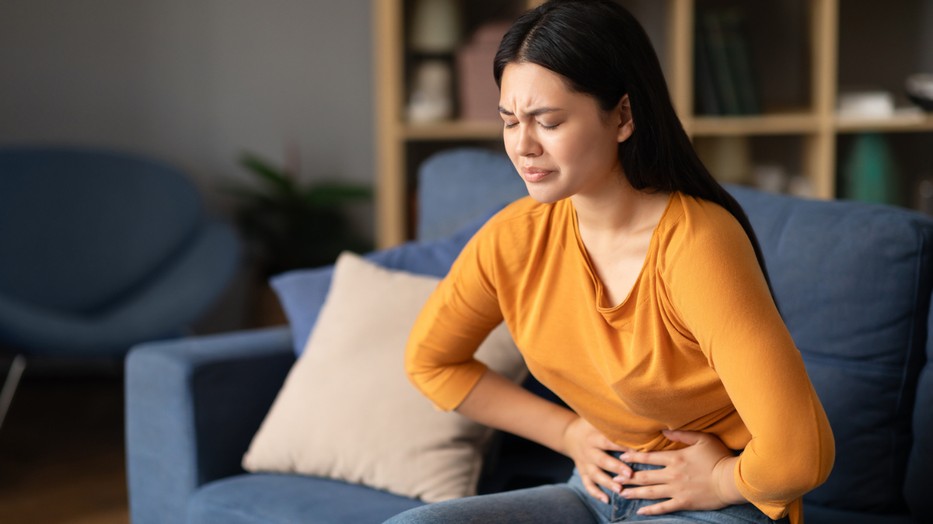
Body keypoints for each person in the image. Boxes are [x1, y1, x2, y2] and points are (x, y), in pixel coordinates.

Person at [386, 1, 834, 522]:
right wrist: (568, 431)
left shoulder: (697, 242)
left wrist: (721, 479)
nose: (523, 146)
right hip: (598, 488)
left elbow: (800, 454)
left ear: (622, 116)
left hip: (716, 498)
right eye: (510, 122)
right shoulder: (513, 238)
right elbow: (431, 361)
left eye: (547, 121)